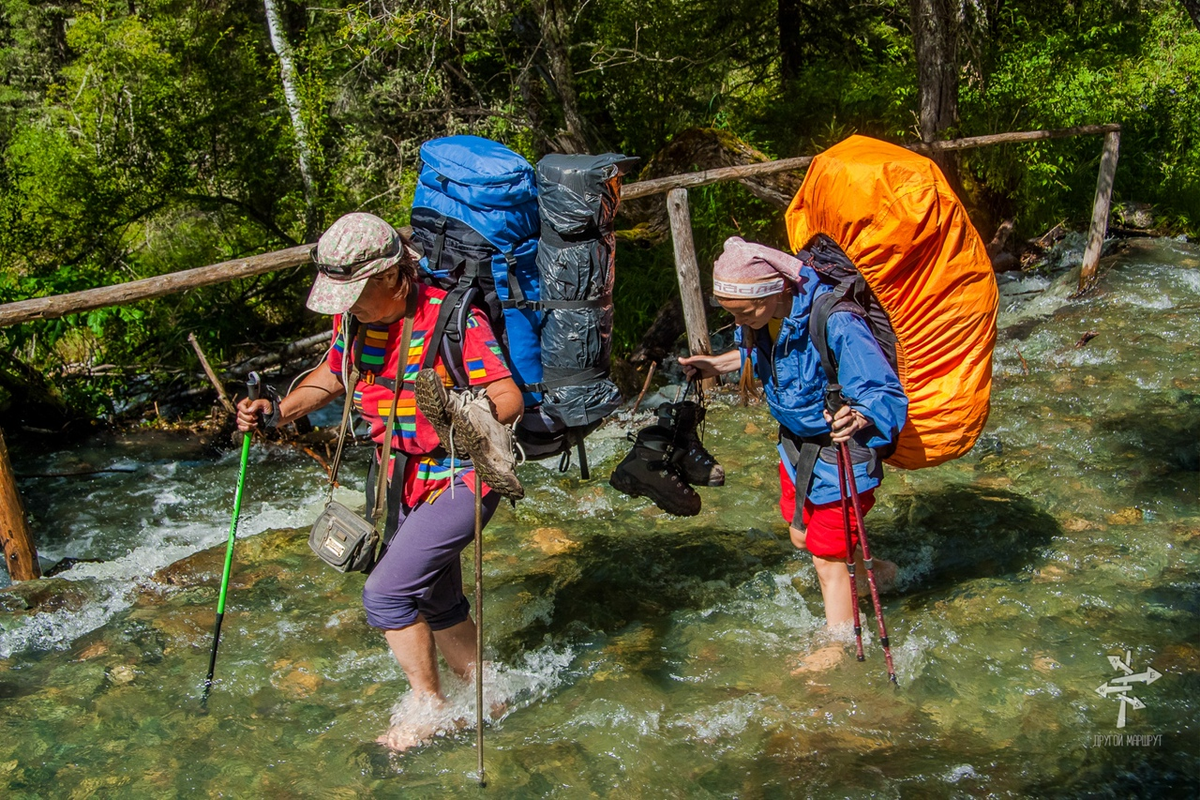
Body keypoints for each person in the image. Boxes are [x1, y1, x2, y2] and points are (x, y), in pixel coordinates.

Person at [235, 212, 523, 750]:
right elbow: (330, 377)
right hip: (401, 480)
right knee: (436, 599)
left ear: (392, 277)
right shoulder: (358, 323)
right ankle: (491, 695)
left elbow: (509, 399)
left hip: (462, 478)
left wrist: (465, 417)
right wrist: (275, 410)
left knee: (386, 595)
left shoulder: (452, 319)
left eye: (355, 291)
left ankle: (429, 708)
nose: (345, 305)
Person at [679, 237, 907, 659]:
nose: (737, 320)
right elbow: (757, 355)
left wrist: (859, 415)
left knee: (826, 558)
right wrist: (719, 364)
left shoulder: (836, 321)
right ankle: (880, 572)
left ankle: (838, 647)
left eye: (741, 311)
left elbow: (884, 392)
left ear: (772, 290)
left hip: (841, 455)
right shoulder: (760, 318)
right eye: (729, 312)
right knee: (801, 537)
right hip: (796, 448)